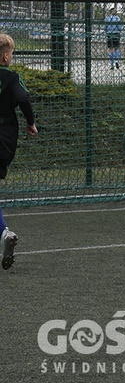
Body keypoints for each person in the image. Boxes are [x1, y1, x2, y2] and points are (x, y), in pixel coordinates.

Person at [0, 33, 38, 270]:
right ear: (5, 56)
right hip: (5, 140)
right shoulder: (12, 77)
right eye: (12, 53)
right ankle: (4, 233)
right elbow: (24, 99)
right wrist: (31, 123)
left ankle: (4, 233)